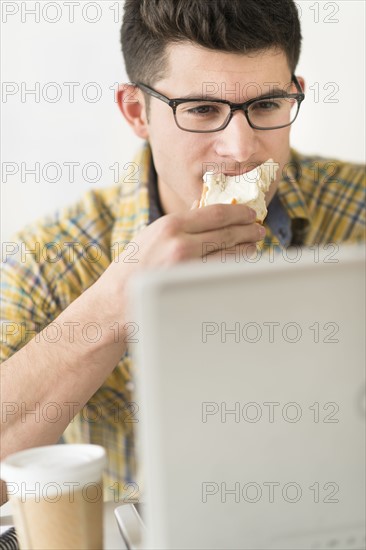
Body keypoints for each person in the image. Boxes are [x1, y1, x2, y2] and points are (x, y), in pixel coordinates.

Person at [1, 0, 365, 504]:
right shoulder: (48, 259)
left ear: (294, 96)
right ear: (136, 112)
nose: (241, 149)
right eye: (201, 110)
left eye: (266, 106)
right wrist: (111, 308)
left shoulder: (359, 213)